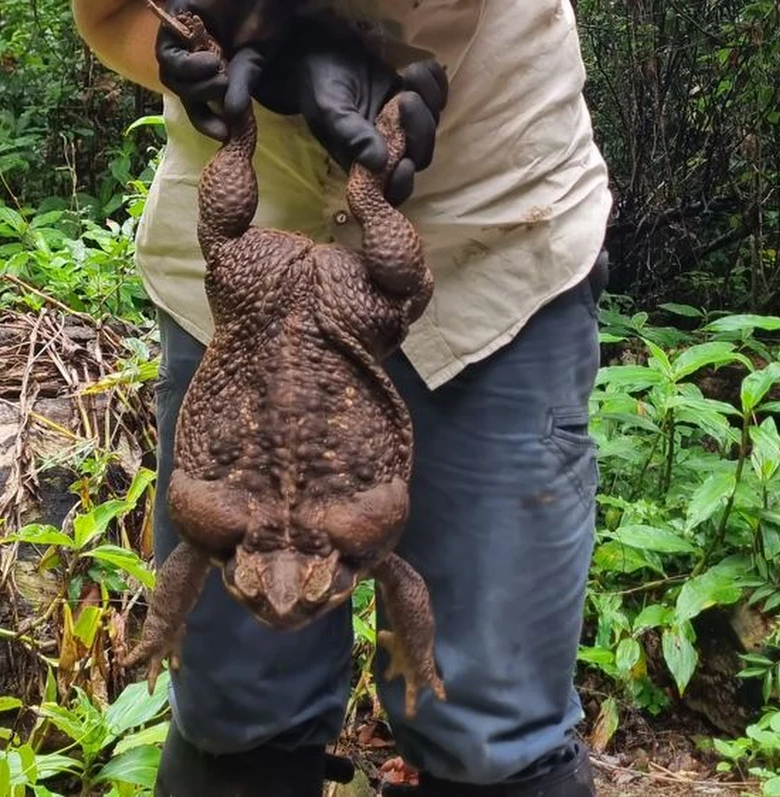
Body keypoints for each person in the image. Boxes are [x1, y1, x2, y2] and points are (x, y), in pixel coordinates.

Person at [72, 1, 612, 795]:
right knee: (233, 713)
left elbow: (396, 574)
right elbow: (110, 10)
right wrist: (208, 52)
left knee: (494, 727)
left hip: (487, 229)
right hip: (242, 279)